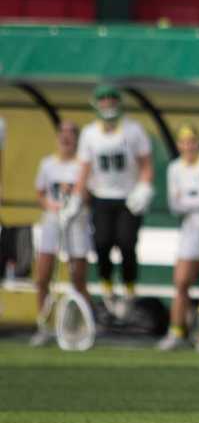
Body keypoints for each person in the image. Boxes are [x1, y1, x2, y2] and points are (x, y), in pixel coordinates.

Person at [69, 84, 154, 316]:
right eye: (103, 99)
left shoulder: (133, 130)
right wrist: (77, 196)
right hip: (102, 196)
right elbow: (84, 169)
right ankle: (106, 285)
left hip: (128, 197)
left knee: (126, 243)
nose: (108, 103)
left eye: (111, 99)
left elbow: (146, 164)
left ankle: (129, 287)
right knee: (102, 243)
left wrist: (144, 186)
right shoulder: (89, 133)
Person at [29, 121, 94, 346]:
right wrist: (52, 205)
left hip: (77, 224)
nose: (66, 138)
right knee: (43, 276)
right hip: (52, 223)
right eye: (62, 133)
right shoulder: (47, 164)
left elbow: (89, 195)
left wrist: (76, 197)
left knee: (78, 277)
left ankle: (81, 325)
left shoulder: (83, 166)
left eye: (70, 134)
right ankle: (44, 325)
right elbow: (40, 193)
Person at [158, 124, 199, 350]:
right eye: (184, 142)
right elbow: (175, 204)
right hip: (190, 229)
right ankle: (176, 330)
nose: (189, 146)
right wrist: (192, 201)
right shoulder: (174, 168)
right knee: (181, 281)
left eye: (192, 141)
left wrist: (189, 200)